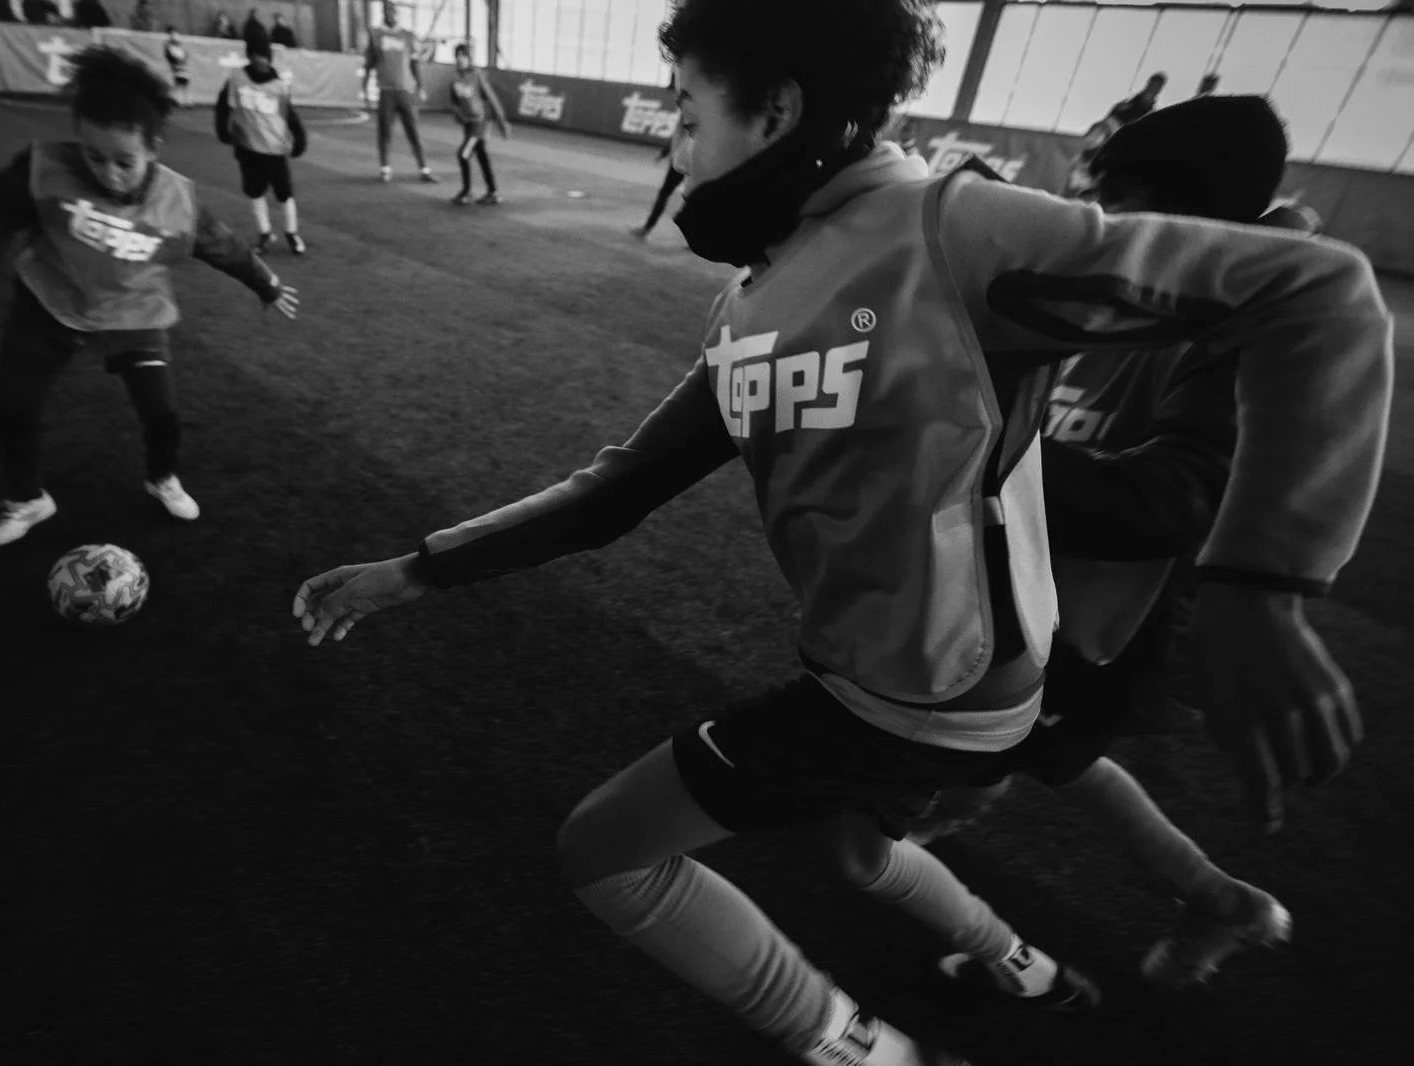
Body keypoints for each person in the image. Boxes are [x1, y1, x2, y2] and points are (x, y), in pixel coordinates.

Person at [294, 2, 1390, 1064]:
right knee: (861, 850)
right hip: (893, 681)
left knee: (602, 850)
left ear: (773, 109)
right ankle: (1020, 965)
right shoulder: (751, 301)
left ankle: (863, 1049)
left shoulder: (951, 227)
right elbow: (615, 490)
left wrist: (1263, 584)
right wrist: (416, 569)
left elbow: (1314, 289)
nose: (675, 137)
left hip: (927, 696)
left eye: (686, 107)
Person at [910, 95, 1320, 993]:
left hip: (1113, 620)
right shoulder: (1138, 291)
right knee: (1036, 746)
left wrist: (986, 458)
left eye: (1118, 202)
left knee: (1010, 741)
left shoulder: (1246, 328)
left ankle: (1215, 900)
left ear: (1190, 212)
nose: (1096, 224)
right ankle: (1212, 898)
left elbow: (1168, 502)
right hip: (1051, 590)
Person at [0, 46, 301, 548]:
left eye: (124, 161)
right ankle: (27, 498)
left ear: (154, 148)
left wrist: (266, 285)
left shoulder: (177, 203)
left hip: (136, 311)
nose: (108, 174)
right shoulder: (45, 168)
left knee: (161, 414)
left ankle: (161, 477)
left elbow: (223, 246)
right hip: (50, 301)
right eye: (94, 156)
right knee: (12, 406)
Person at [216, 37, 309, 254]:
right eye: (258, 55)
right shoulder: (237, 78)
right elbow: (223, 106)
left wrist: (299, 137)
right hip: (247, 147)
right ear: (250, 56)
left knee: (284, 192)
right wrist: (222, 129)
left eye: (265, 56)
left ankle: (292, 233)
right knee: (254, 191)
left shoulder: (278, 85)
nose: (262, 60)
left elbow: (290, 115)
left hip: (274, 148)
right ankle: (265, 234)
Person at [1064, 72, 1167, 198]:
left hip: (1125, 155)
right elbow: (1109, 123)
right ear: (1148, 84)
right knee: (1102, 133)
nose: (1154, 89)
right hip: (1110, 144)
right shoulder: (1124, 107)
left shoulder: (1152, 115)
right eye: (1153, 84)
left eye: (1158, 87)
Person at [364, 1, 435, 183]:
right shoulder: (376, 35)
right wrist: (364, 87)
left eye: (392, 11)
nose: (390, 14)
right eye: (386, 11)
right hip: (386, 91)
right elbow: (369, 63)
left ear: (397, 14)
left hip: (406, 91)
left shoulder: (408, 36)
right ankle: (385, 168)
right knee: (385, 131)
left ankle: (424, 168)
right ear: (383, 13)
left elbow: (414, 63)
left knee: (413, 130)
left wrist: (420, 86)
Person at [448, 43, 510, 206]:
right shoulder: (455, 77)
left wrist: (501, 122)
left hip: (479, 122)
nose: (460, 58)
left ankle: (467, 192)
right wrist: (457, 113)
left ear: (470, 58)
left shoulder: (477, 75)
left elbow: (491, 98)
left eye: (464, 55)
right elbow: (454, 100)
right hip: (468, 123)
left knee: (463, 154)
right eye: (458, 55)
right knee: (482, 156)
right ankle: (493, 192)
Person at [631, 75, 686, 240]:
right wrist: (664, 152)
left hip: (684, 160)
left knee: (668, 194)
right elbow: (678, 134)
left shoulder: (689, 108)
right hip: (682, 159)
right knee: (683, 197)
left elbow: (685, 133)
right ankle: (648, 227)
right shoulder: (688, 107)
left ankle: (647, 228)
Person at [164, 27, 190, 108]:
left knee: (182, 83)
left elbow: (184, 55)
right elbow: (172, 56)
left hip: (181, 66)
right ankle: (179, 101)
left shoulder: (177, 48)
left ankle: (184, 101)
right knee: (180, 82)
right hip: (177, 66)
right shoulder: (170, 47)